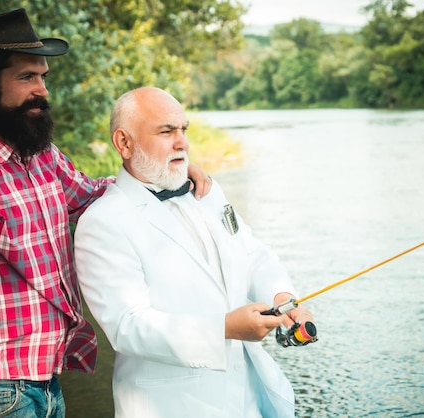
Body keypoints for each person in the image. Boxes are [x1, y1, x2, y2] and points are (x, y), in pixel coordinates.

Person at [0, 10, 210, 418]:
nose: (42, 90)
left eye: (44, 77)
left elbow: (94, 194)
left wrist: (167, 171)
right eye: (27, 77)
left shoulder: (39, 152)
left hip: (46, 381)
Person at [74, 86, 316, 417]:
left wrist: (282, 298)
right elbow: (128, 327)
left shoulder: (206, 190)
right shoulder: (102, 222)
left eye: (183, 129)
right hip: (173, 406)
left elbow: (252, 255)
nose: (182, 142)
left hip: (251, 398)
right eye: (166, 131)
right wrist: (225, 328)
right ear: (124, 143)